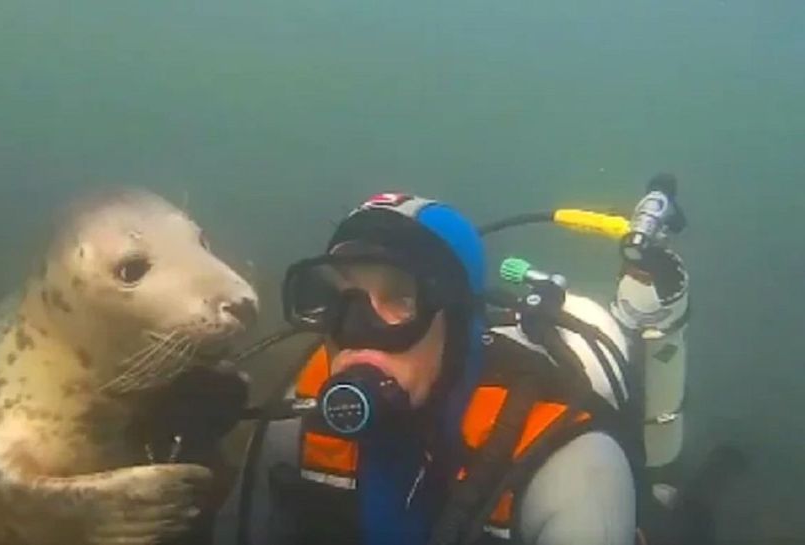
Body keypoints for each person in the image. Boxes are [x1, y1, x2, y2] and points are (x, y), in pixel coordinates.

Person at [213, 188, 699, 545]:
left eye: (400, 298)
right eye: (343, 297)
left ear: (460, 317)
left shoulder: (573, 470)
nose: (357, 329)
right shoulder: (294, 426)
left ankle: (643, 317)